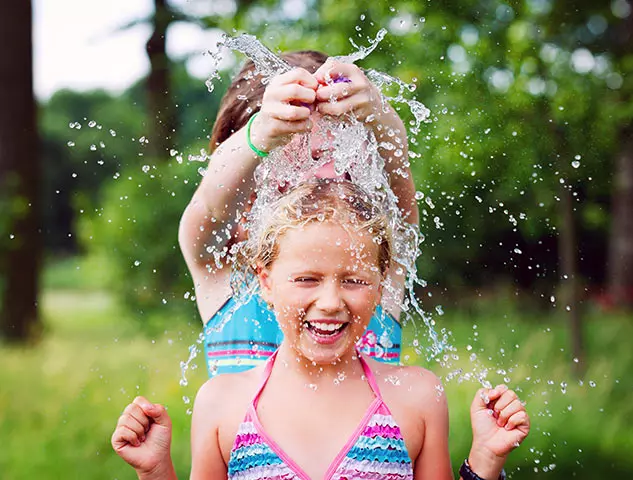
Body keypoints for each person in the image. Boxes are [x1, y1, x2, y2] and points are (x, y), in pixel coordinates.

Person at [112, 179, 530, 480]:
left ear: (382, 284)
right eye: (307, 279)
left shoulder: (417, 396)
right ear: (266, 281)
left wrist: (484, 462)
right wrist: (155, 472)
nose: (331, 302)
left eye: (354, 280)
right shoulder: (222, 403)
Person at [179, 51, 419, 376]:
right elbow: (212, 206)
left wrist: (380, 116)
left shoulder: (377, 261)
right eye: (306, 156)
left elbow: (398, 195)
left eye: (340, 152)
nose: (328, 174)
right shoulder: (226, 267)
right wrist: (261, 130)